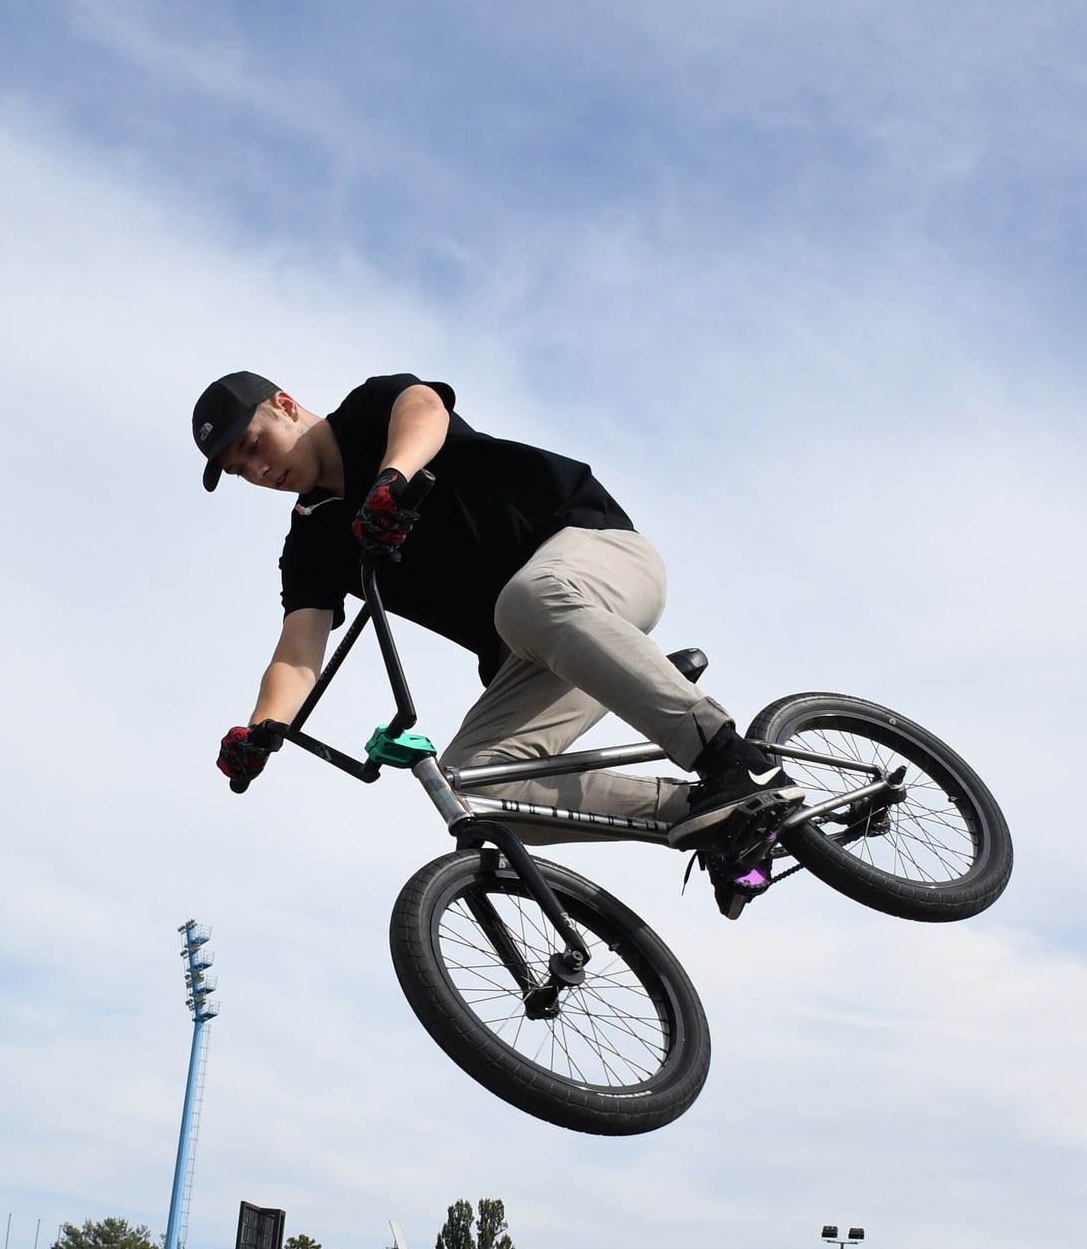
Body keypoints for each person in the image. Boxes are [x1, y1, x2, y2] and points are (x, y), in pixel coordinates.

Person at [194, 370, 802, 915]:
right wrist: (261, 732)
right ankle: (720, 820)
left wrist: (393, 479)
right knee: (472, 786)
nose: (259, 471)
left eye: (252, 446)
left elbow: (424, 410)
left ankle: (731, 758)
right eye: (239, 471)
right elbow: (298, 651)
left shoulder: (368, 412)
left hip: (595, 555)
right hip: (534, 649)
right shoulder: (311, 541)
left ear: (284, 404)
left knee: (524, 600)